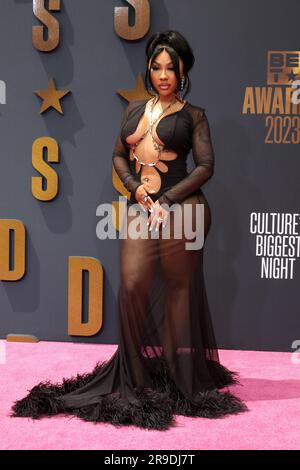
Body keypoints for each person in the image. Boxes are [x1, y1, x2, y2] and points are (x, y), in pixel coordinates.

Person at [11, 30, 248, 430]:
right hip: (142, 207)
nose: (163, 74)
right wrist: (137, 190)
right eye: (156, 67)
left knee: (178, 289)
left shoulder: (194, 115)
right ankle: (136, 377)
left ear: (183, 69)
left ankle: (176, 375)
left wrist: (169, 201)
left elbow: (206, 166)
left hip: (183, 209)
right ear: (149, 70)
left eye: (171, 67)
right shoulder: (133, 112)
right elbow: (120, 156)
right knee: (133, 284)